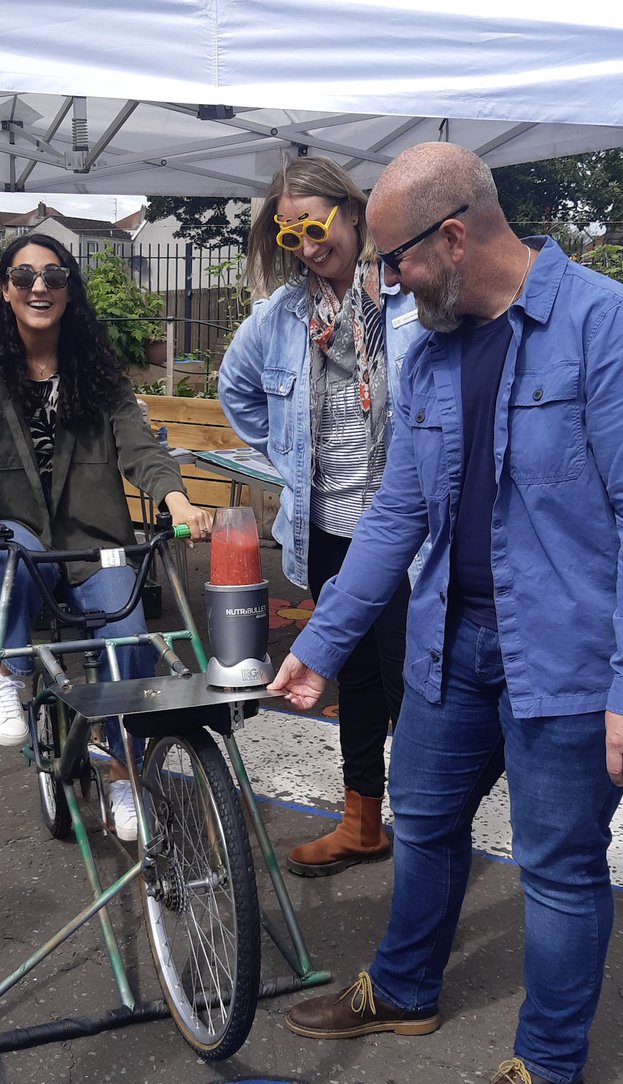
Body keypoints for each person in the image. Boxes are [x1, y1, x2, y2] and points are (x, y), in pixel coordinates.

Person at [271, 142, 623, 1084]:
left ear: (455, 236)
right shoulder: (426, 345)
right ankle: (405, 986)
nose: (385, 282)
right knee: (420, 820)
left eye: (396, 261)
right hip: (448, 645)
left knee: (556, 870)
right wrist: (325, 644)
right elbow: (398, 513)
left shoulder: (600, 329)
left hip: (562, 658)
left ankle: (547, 1070)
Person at [0, 233, 212, 841]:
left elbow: (141, 449)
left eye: (54, 276)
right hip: (20, 538)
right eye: (24, 277)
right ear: (5, 291)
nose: (39, 287)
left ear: (70, 291)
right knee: (11, 554)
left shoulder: (98, 376)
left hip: (94, 544)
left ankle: (121, 770)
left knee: (126, 631)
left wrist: (178, 499)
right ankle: (7, 674)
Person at [218, 157, 423, 876]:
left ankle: (432, 845)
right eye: (288, 235)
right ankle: (361, 822)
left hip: (411, 539)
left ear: (352, 209)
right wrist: (288, 463)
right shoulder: (280, 317)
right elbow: (235, 391)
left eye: (314, 225)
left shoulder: (408, 300)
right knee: (357, 678)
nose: (306, 246)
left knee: (415, 686)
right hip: (329, 531)